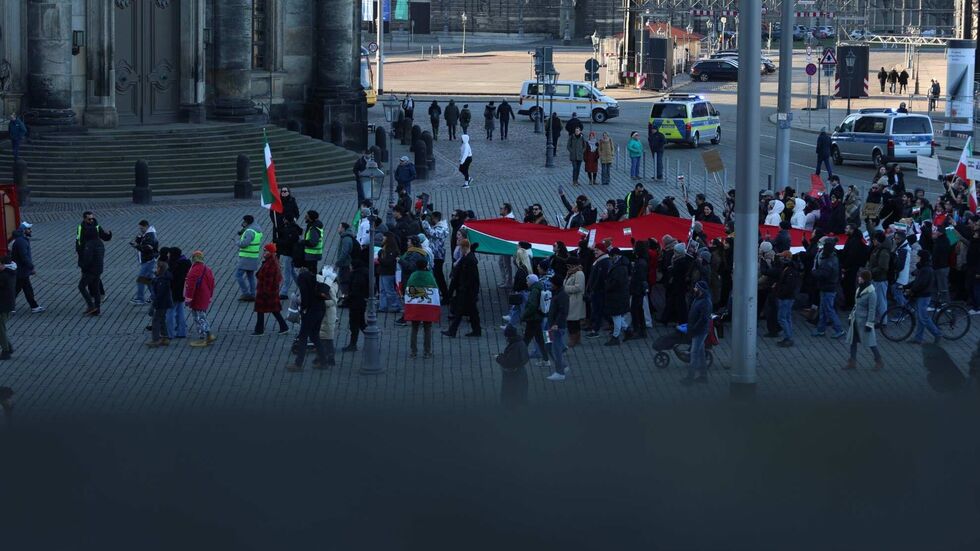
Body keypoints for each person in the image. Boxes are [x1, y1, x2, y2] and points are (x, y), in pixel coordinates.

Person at [288, 265, 328, 370]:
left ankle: (298, 364)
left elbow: (305, 295)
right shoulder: (314, 278)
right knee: (314, 336)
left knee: (303, 337)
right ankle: (323, 361)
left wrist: (303, 309)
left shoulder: (302, 278)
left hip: (311, 311)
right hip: (321, 309)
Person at [845, 269, 884, 370]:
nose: (859, 278)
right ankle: (852, 361)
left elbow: (872, 310)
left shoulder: (871, 293)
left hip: (864, 322)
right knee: (853, 341)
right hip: (855, 320)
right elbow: (856, 305)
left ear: (865, 279)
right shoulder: (859, 289)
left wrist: (869, 323)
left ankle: (879, 360)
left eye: (860, 277)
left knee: (871, 342)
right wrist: (850, 316)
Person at [76, 211, 112, 316]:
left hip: (90, 270)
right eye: (89, 219)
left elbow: (87, 260)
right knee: (96, 288)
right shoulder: (100, 244)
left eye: (92, 218)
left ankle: (91, 306)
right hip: (99, 268)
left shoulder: (89, 245)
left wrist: (82, 265)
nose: (91, 220)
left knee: (81, 286)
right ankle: (97, 309)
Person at [443, 239, 481, 337]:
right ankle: (476, 330)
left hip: (467, 291)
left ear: (464, 247)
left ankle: (453, 331)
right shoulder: (468, 258)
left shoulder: (469, 260)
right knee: (472, 312)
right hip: (467, 291)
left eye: (461, 248)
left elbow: (473, 278)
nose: (460, 250)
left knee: (461, 311)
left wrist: (464, 287)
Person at [404, 259, 439, 359]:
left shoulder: (413, 275)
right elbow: (435, 289)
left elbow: (408, 289)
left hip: (415, 306)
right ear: (426, 265)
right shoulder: (429, 276)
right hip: (427, 306)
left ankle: (413, 352)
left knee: (414, 328)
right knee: (427, 328)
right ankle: (427, 352)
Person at [812, 237, 846, 338]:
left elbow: (823, 274)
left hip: (828, 287)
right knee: (824, 309)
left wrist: (814, 272)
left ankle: (839, 329)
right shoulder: (833, 257)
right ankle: (821, 329)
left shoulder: (828, 260)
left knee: (828, 309)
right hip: (828, 287)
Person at [680, 280, 712, 385]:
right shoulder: (698, 299)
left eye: (696, 287)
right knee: (701, 354)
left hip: (699, 331)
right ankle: (703, 377)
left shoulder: (705, 302)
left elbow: (703, 319)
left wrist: (694, 329)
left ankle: (690, 378)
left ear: (701, 290)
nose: (694, 289)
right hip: (697, 330)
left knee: (694, 354)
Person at [253, 243, 289, 336]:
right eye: (264, 250)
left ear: (271, 252)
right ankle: (283, 327)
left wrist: (265, 292)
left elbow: (268, 280)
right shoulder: (269, 262)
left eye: (266, 251)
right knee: (273, 310)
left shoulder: (270, 265)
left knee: (264, 310)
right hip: (269, 291)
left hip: (266, 291)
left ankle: (259, 330)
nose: (264, 252)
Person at [184, 250, 216, 347]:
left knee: (199, 317)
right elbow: (212, 283)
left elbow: (191, 286)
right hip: (205, 296)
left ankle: (205, 337)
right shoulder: (207, 269)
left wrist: (188, 298)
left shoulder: (194, 270)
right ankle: (206, 336)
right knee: (202, 315)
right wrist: (210, 296)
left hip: (197, 297)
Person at [9, 222, 43, 313]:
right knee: (22, 289)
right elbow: (24, 256)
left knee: (23, 289)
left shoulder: (21, 240)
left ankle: (33, 306)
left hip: (21, 270)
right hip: (21, 270)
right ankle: (33, 306)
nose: (30, 230)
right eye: (28, 229)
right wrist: (31, 267)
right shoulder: (21, 241)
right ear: (23, 231)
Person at [496, 324, 529, 407]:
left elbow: (508, 363)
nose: (506, 339)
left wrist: (498, 357)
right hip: (521, 373)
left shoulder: (514, 346)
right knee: (521, 394)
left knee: (511, 396)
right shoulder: (521, 343)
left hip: (513, 375)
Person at [603, 247, 630, 346]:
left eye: (611, 256)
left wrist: (607, 286)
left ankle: (616, 336)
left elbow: (615, 283)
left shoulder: (619, 268)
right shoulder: (622, 266)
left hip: (616, 296)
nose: (610, 258)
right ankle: (627, 330)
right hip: (619, 295)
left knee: (616, 316)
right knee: (617, 316)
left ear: (615, 256)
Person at [343, 255, 369, 351]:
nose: (349, 267)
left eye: (350, 266)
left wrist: (346, 297)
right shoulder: (364, 273)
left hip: (355, 304)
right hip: (360, 303)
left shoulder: (357, 276)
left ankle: (353, 344)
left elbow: (355, 291)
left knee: (354, 324)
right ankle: (370, 339)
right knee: (361, 323)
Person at [545, 279, 570, 381]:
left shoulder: (562, 295)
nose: (550, 284)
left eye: (552, 283)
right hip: (549, 325)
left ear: (556, 284)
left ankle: (560, 372)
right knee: (548, 346)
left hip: (556, 327)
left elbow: (563, 312)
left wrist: (556, 324)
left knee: (556, 349)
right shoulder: (555, 293)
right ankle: (563, 366)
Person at [314, 266, 339, 367]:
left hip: (327, 316)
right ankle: (327, 358)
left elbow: (333, 301)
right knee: (326, 338)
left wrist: (320, 303)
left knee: (325, 339)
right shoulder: (332, 285)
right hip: (327, 316)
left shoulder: (330, 288)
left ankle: (325, 359)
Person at [773, 251, 799, 347]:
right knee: (787, 317)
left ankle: (788, 337)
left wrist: (780, 292)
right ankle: (788, 336)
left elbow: (788, 286)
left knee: (782, 318)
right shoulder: (789, 269)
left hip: (786, 298)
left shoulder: (790, 271)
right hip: (787, 297)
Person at [130, 220, 159, 305]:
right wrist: (138, 239)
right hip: (147, 260)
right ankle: (154, 296)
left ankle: (140, 298)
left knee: (141, 279)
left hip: (148, 261)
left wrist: (137, 246)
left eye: (141, 228)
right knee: (148, 280)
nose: (140, 230)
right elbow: (140, 242)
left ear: (146, 226)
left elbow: (147, 249)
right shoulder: (146, 234)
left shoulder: (150, 236)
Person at [234, 215, 262, 301]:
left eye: (244, 221)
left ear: (247, 222)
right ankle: (253, 294)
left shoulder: (249, 231)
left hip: (246, 257)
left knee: (238, 275)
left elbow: (244, 244)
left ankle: (246, 293)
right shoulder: (257, 229)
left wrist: (237, 242)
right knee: (250, 276)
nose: (243, 223)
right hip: (253, 257)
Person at [422, 211, 450, 296]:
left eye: (431, 218)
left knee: (439, 276)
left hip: (438, 256)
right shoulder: (438, 226)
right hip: (436, 255)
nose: (430, 220)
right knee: (437, 275)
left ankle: (445, 295)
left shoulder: (442, 228)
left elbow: (432, 233)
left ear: (435, 218)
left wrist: (425, 223)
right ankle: (441, 293)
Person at [146, 260, 173, 347]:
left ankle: (156, 339)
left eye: (157, 267)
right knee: (162, 319)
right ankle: (165, 338)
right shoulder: (163, 277)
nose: (155, 269)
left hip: (161, 304)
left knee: (156, 320)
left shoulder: (161, 281)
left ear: (161, 269)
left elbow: (159, 294)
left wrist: (154, 304)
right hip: (164, 303)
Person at [166, 248, 191, 339]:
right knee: (180, 312)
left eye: (169, 254)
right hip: (183, 292)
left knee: (170, 313)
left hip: (173, 292)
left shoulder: (174, 265)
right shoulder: (187, 263)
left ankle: (169, 334)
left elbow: (171, 280)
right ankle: (182, 332)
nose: (168, 255)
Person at [867, 232, 891, 326]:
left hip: (880, 280)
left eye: (874, 239)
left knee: (881, 301)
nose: (873, 241)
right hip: (876, 278)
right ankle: (879, 319)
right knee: (878, 300)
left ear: (878, 240)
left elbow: (883, 267)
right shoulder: (878, 249)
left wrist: (871, 271)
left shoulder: (883, 252)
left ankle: (882, 321)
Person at [627, 242, 650, 340]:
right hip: (639, 290)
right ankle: (642, 330)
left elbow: (638, 278)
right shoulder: (642, 261)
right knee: (639, 309)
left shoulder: (640, 263)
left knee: (635, 310)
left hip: (637, 290)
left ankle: (637, 330)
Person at [276, 216, 302, 299]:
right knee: (292, 271)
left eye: (284, 219)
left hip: (289, 253)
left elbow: (288, 242)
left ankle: (284, 292)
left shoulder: (290, 229)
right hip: (293, 253)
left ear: (287, 220)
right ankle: (302, 286)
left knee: (287, 272)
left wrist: (278, 241)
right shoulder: (294, 227)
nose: (283, 220)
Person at [564, 258, 586, 347]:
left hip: (575, 300)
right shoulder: (571, 273)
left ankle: (573, 339)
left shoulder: (579, 273)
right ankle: (576, 338)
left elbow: (579, 287)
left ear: (573, 265)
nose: (567, 268)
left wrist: (565, 289)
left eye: (568, 266)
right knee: (573, 321)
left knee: (572, 321)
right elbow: (565, 283)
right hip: (571, 299)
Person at [378, 232, 402, 313]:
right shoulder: (384, 248)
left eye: (384, 237)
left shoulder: (392, 250)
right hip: (383, 272)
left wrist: (380, 259)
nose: (382, 238)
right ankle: (383, 306)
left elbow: (388, 262)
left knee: (389, 290)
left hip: (388, 272)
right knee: (382, 290)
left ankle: (395, 306)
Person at [334, 221, 356, 299]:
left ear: (343, 228)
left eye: (339, 227)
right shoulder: (345, 237)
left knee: (343, 281)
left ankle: (345, 297)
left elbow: (344, 252)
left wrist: (338, 262)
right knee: (343, 280)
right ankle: (346, 296)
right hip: (345, 263)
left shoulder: (346, 238)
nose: (338, 229)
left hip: (345, 264)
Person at [0, 256, 15, 360]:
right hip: (6, 306)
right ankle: (8, 347)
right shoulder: (10, 273)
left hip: (2, 307)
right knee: (2, 329)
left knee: (1, 330)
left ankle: (6, 350)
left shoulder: (3, 276)